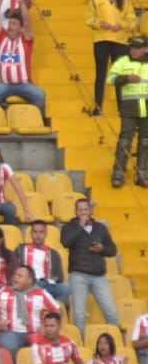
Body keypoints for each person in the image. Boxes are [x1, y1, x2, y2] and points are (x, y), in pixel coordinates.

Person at [61, 198, 119, 334]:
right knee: (79, 315)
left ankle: (114, 343)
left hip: (99, 276)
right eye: (80, 210)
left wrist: (102, 249)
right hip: (78, 275)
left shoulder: (100, 228)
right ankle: (81, 346)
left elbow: (113, 250)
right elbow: (65, 242)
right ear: (75, 212)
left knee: (111, 312)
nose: (83, 213)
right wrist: (79, 227)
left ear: (90, 210)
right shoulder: (68, 227)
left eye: (85, 210)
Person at [108, 35, 148, 187]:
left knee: (145, 142)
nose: (133, 50)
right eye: (132, 47)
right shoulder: (123, 62)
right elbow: (110, 79)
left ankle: (142, 174)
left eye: (137, 48)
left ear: (145, 49)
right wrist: (126, 78)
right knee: (125, 140)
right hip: (129, 108)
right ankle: (118, 172)